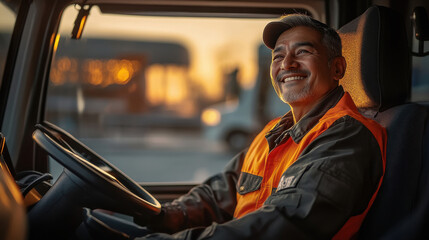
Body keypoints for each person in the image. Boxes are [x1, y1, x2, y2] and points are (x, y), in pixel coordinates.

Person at [135, 14, 387, 239]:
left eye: (302, 52)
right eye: (278, 56)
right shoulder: (273, 132)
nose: (286, 64)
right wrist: (165, 215)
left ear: (337, 68)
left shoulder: (346, 135)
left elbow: (283, 224)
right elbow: (219, 193)